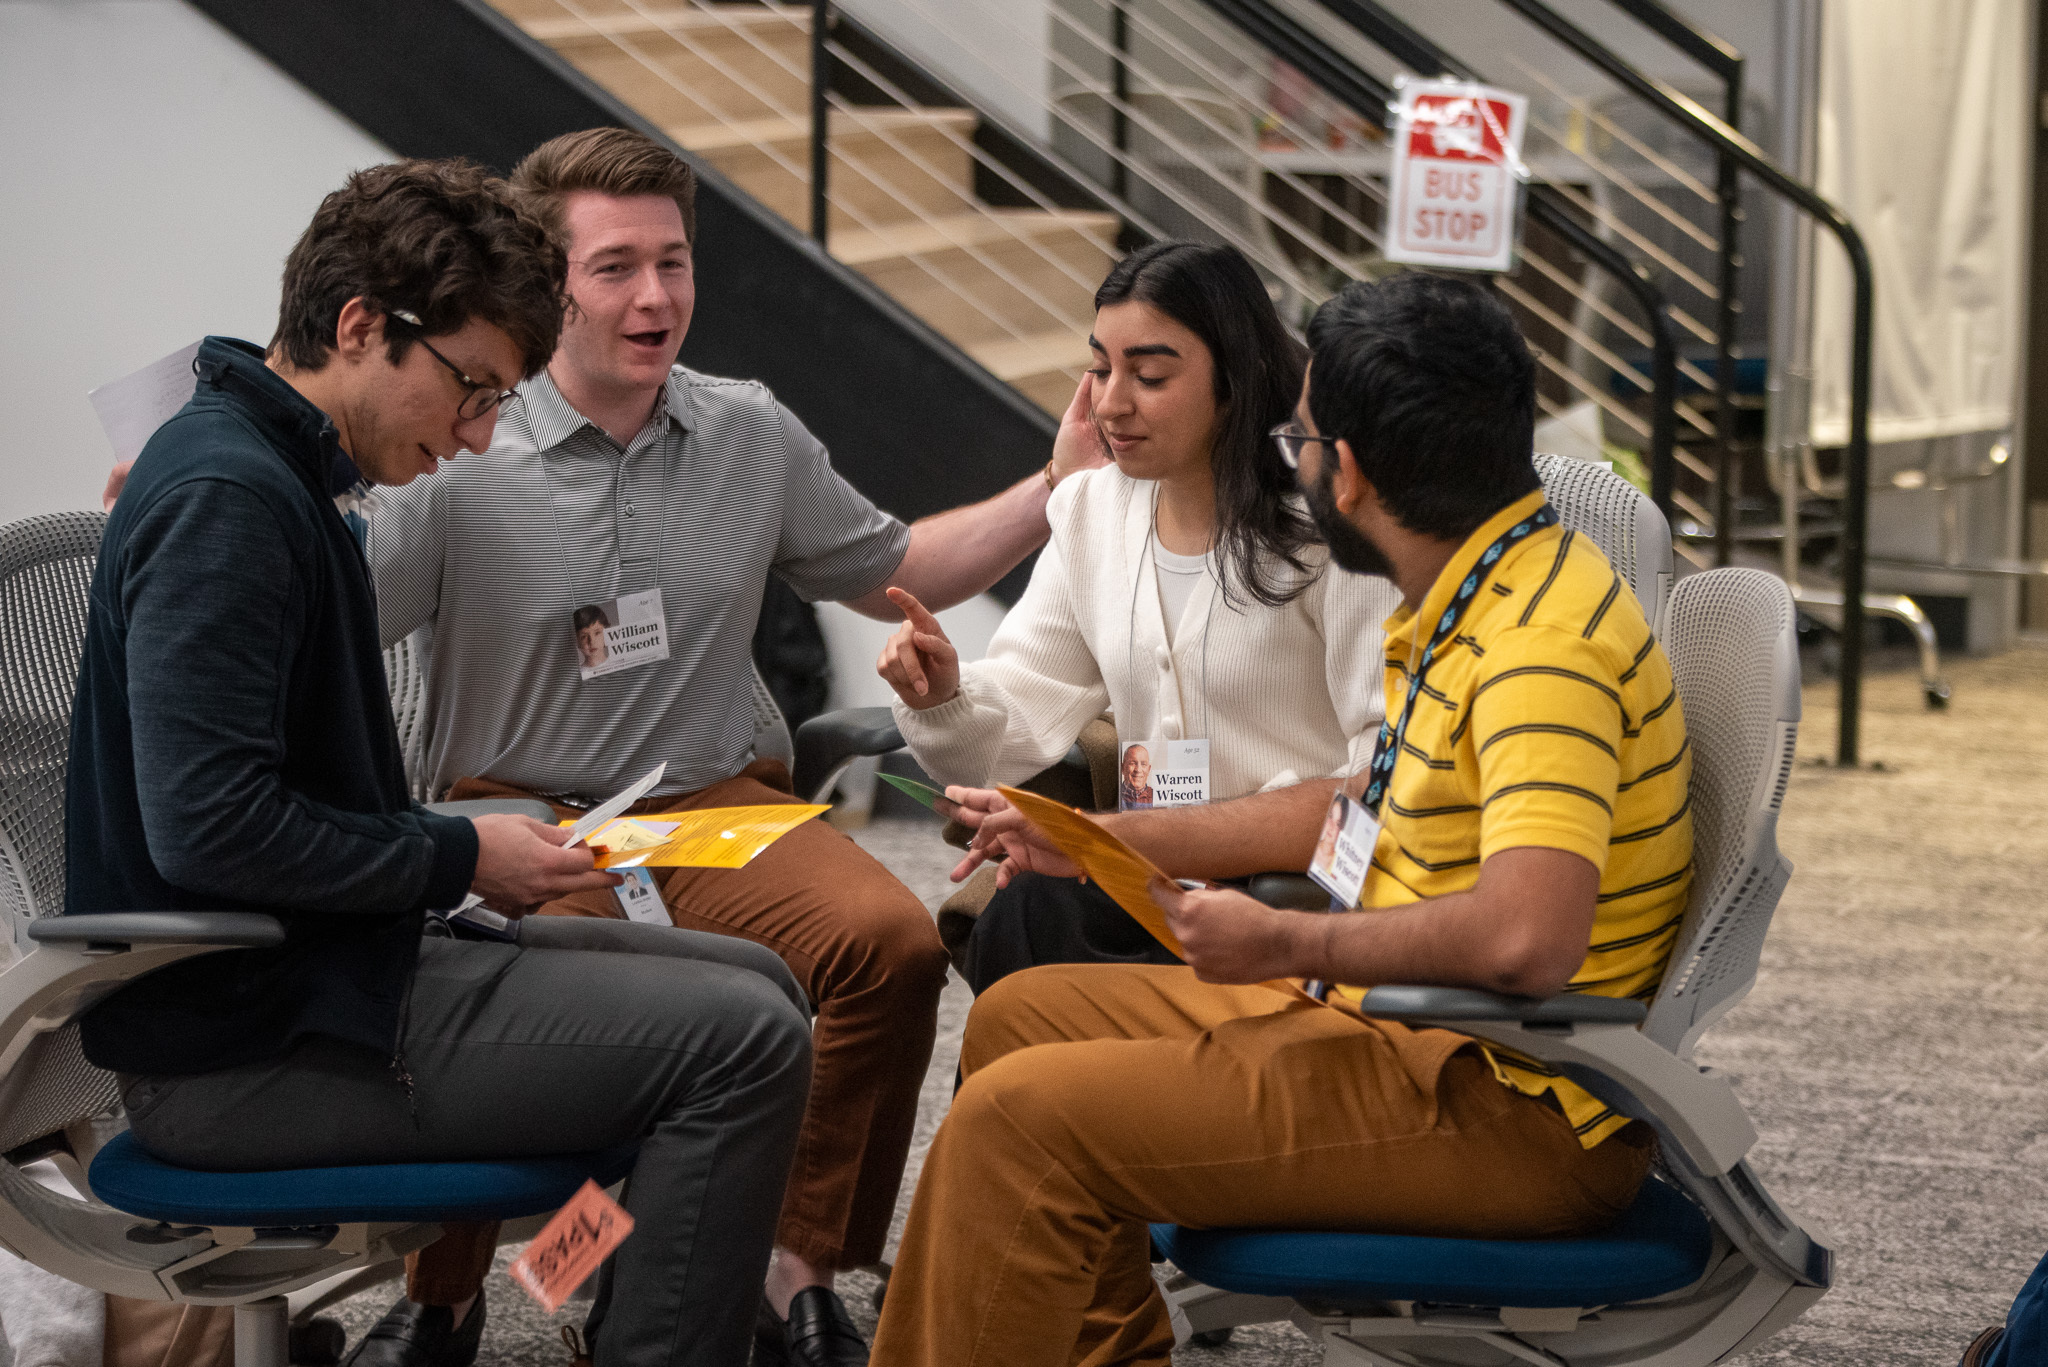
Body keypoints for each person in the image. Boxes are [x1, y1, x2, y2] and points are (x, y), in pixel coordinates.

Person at [364, 126, 1106, 1367]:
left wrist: (1056, 479)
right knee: (580, 1018)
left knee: (886, 945)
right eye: (613, 268)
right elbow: (319, 603)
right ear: (547, 282)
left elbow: (900, 570)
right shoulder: (464, 446)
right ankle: (451, 1297)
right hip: (525, 810)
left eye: (673, 261)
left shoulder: (747, 431)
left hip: (705, 802)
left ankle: (784, 1263)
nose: (655, 298)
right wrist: (197, 513)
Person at [865, 270, 1696, 1366]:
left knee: (1019, 1117)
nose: (1286, 461)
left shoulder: (1537, 647)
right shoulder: (1476, 587)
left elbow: (1523, 936)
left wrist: (1285, 941)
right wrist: (1100, 842)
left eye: (1298, 440)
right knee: (1021, 1018)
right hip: (1419, 1036)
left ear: (1343, 473)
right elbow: (1366, 801)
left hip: (1503, 1097)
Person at [67, 160, 814, 1367]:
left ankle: (633, 1306)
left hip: (310, 986)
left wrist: (452, 857)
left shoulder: (269, 473)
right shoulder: (228, 496)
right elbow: (209, 830)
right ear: (362, 325)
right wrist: (457, 847)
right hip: (249, 1050)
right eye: (472, 391)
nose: (473, 439)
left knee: (760, 985)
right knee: (741, 1040)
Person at [875, 242, 1397, 995]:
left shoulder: (1326, 530)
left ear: (1235, 378)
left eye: (1149, 376)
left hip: (1288, 894)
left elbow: (1383, 774)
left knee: (1051, 948)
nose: (1110, 403)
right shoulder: (1093, 510)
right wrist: (943, 697)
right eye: (1099, 369)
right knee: (1024, 911)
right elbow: (1024, 710)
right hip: (1153, 871)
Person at [1116, 743, 1153, 809]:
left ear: (1149, 769)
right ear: (1122, 768)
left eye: (1143, 764)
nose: (1138, 770)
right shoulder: (1113, 796)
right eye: (1132, 763)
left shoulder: (1157, 796)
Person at [573, 603, 610, 668]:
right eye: (584, 636)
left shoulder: (618, 664)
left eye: (597, 633)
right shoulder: (579, 671)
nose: (592, 641)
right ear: (577, 641)